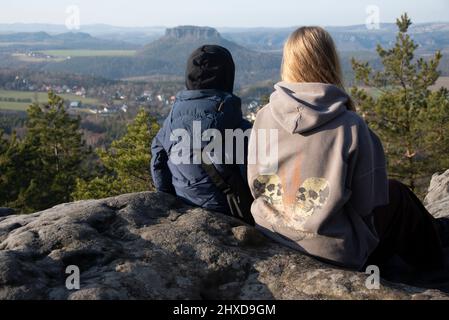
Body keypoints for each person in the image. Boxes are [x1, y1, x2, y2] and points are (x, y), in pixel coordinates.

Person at [247, 26, 449, 271]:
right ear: (330, 61)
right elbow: (368, 203)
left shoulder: (264, 116)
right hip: (332, 251)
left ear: (288, 62)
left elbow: (258, 183)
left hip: (272, 233)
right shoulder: (351, 126)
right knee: (398, 195)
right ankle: (436, 268)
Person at [151, 45, 254, 224]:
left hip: (186, 209)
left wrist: (170, 201)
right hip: (234, 217)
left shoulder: (170, 124)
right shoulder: (239, 128)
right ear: (228, 77)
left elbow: (158, 164)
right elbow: (256, 182)